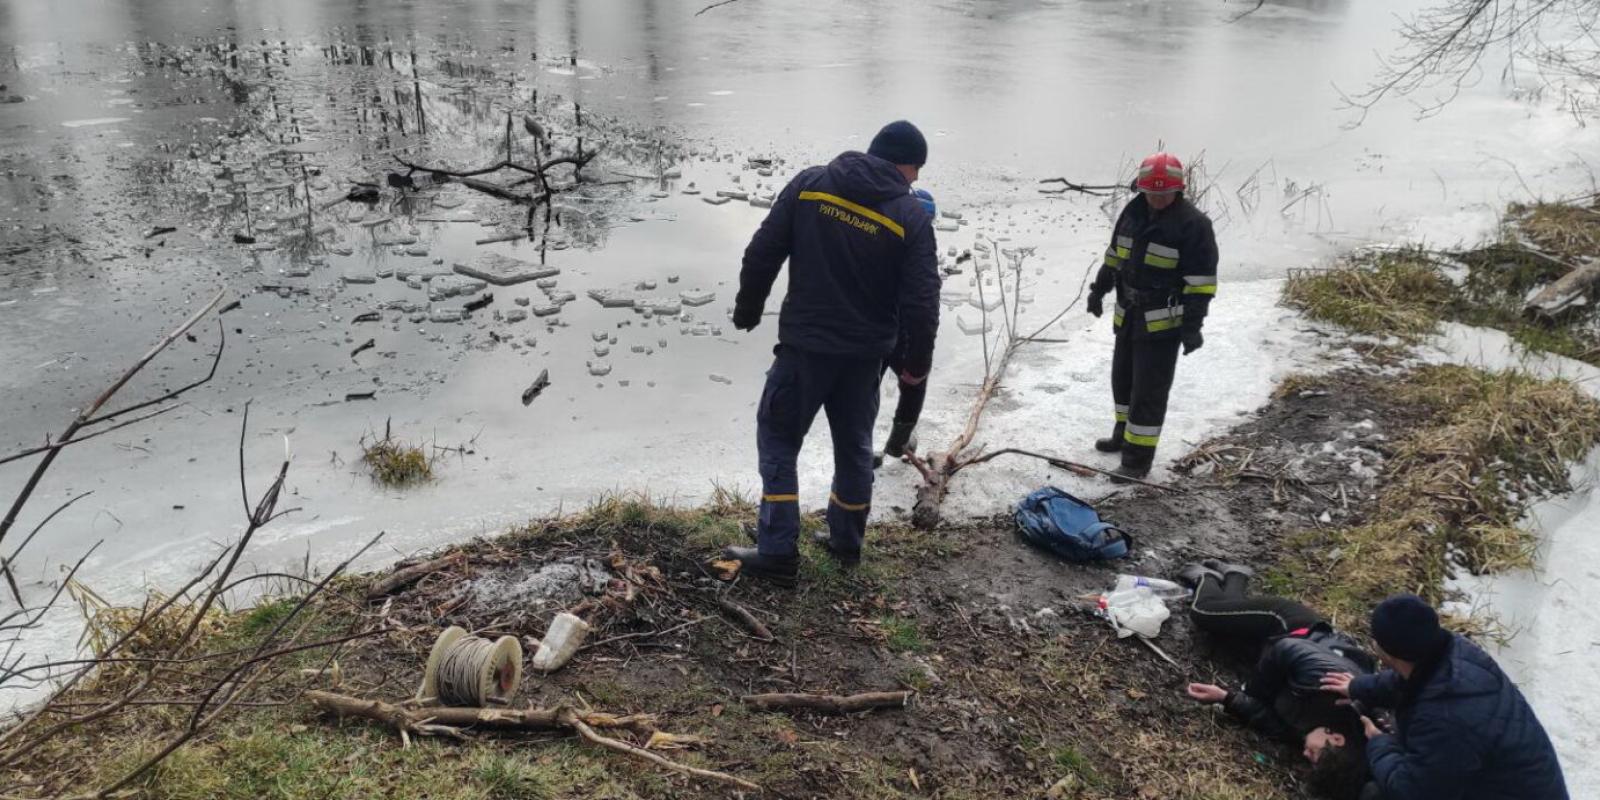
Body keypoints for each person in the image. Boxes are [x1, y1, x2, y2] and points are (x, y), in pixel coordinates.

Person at [721, 120, 941, 587]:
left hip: (805, 350)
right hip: (864, 360)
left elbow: (763, 250)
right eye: (916, 169)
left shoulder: (810, 185)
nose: (916, 180)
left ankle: (778, 550)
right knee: (854, 447)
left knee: (779, 441)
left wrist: (748, 308)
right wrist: (915, 368)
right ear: (902, 163)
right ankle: (846, 542)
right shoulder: (911, 216)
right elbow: (922, 305)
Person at [1320, 595, 1569, 800]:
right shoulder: (1454, 651)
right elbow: (1406, 681)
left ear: (1386, 652)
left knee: (1375, 794)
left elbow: (1411, 791)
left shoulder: (1444, 717)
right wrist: (1357, 687)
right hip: (1513, 786)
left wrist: (1379, 743)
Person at [1178, 560, 1377, 800]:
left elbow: (1272, 722)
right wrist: (1251, 691)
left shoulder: (1318, 739)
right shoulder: (1332, 685)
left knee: (1222, 636)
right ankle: (1206, 578)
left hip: (1270, 652)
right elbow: (1286, 648)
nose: (1305, 755)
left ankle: (1235, 575)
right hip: (1289, 627)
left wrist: (1227, 698)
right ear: (1336, 739)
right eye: (1313, 755)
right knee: (1205, 613)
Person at [1085, 152, 1218, 481]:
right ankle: (1122, 436)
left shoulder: (1193, 225)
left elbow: (1200, 283)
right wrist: (1098, 290)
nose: (1157, 199)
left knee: (1149, 394)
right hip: (1129, 316)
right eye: (1151, 193)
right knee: (1123, 382)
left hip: (1163, 326)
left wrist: (1192, 328)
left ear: (1178, 190)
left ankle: (1137, 461)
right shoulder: (1133, 213)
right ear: (1141, 190)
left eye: (1163, 193)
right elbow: (1115, 256)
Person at [874, 187, 939, 467]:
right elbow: (924, 305)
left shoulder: (879, 235)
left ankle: (892, 442)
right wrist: (921, 359)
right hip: (893, 332)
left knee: (864, 390)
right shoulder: (921, 248)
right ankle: (899, 441)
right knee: (914, 383)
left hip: (873, 330)